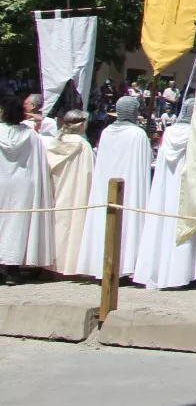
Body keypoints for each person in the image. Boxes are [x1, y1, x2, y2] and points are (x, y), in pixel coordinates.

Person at [134, 97, 196, 289]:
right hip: (188, 189)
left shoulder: (169, 133)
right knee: (187, 226)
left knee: (166, 227)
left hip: (166, 191)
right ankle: (187, 273)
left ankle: (171, 271)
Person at [75, 96, 151, 279]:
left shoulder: (107, 132)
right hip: (128, 189)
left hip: (108, 188)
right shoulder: (137, 134)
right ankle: (124, 267)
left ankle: (107, 266)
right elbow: (144, 164)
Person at [0, 92, 54, 282]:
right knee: (17, 225)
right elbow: (38, 163)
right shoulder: (31, 135)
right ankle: (12, 270)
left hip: (1, 182)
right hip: (22, 186)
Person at [45, 110, 94, 274]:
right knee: (70, 225)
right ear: (81, 124)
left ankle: (47, 263)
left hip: (54, 190)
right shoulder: (83, 146)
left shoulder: (53, 142)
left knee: (54, 224)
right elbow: (89, 173)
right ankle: (65, 265)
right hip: (75, 192)